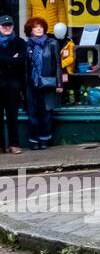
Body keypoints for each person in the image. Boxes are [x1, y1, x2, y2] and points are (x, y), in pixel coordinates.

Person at [24, 16, 63, 150]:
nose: (39, 29)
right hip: (32, 84)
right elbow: (25, 67)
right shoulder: (27, 44)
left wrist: (59, 84)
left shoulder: (52, 43)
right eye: (35, 27)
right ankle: (34, 141)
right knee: (33, 113)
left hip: (47, 83)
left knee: (46, 114)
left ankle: (45, 139)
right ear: (30, 30)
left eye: (41, 26)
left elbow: (58, 64)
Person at [0, 16, 25, 154]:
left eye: (9, 25)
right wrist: (11, 59)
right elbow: (14, 61)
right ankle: (1, 146)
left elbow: (21, 60)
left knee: (12, 115)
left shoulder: (19, 42)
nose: (7, 27)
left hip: (14, 83)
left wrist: (4, 60)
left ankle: (14, 144)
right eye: (4, 25)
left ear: (13, 27)